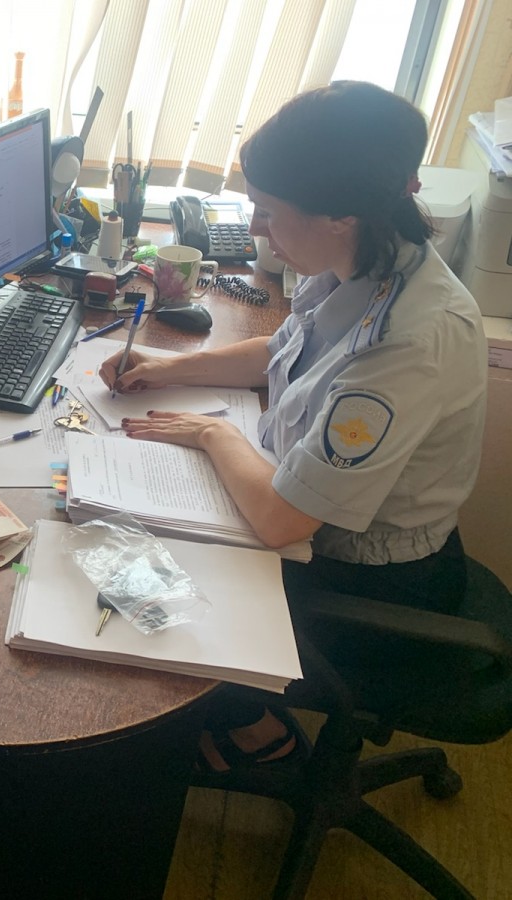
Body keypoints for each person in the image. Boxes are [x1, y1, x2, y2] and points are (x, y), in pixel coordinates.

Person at [98, 81, 487, 770]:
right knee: (125, 542)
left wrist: (212, 433)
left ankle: (256, 730)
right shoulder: (359, 261)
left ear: (339, 214)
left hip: (362, 584)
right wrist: (166, 367)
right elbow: (284, 352)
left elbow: (283, 520)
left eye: (269, 211)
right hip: (308, 519)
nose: (256, 228)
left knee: (135, 588)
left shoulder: (412, 339)